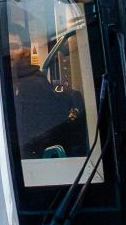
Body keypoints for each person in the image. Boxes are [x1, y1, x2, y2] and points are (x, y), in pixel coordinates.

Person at [9, 30, 87, 159]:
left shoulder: (35, 84)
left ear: (24, 50)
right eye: (6, 47)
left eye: (14, 47)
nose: (10, 52)